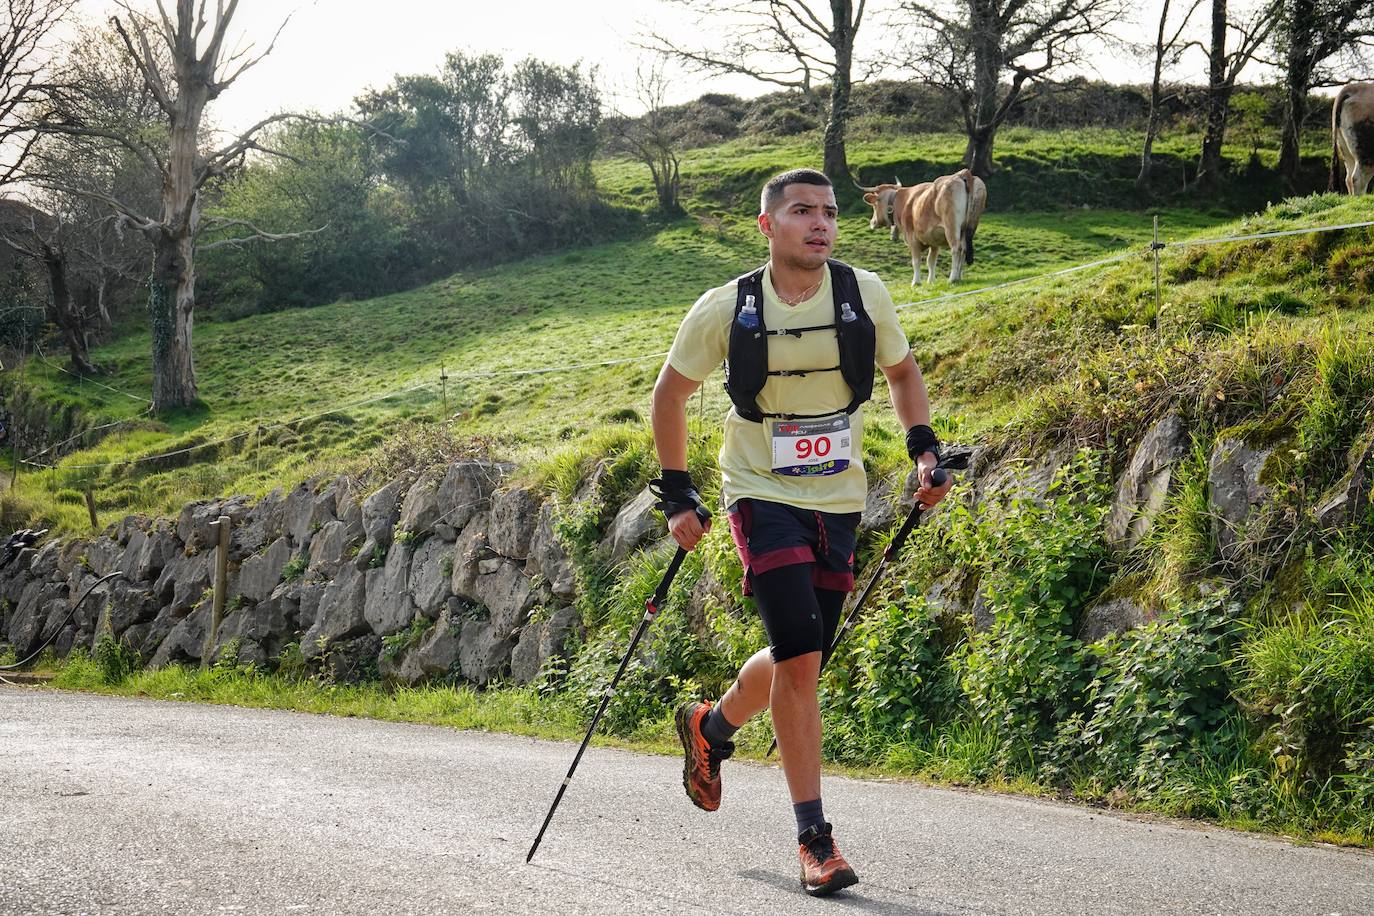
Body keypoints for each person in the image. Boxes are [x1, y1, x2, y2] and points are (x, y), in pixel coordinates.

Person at [649, 167, 952, 897]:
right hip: (757, 487)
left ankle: (711, 728)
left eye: (830, 212)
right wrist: (677, 494)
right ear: (768, 225)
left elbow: (904, 375)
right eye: (802, 212)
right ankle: (815, 839)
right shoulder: (727, 307)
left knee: (803, 662)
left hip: (839, 495)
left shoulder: (862, 294)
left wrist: (923, 447)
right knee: (797, 646)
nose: (820, 224)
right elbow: (670, 395)